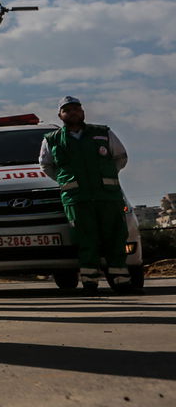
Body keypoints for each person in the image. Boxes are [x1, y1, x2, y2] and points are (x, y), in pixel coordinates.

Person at [40, 97, 135, 295]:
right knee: (86, 240)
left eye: (76, 108)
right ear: (60, 115)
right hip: (77, 199)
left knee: (115, 238)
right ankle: (90, 283)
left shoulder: (103, 133)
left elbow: (120, 157)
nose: (72, 112)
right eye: (67, 110)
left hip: (107, 197)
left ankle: (121, 281)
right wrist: (65, 181)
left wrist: (106, 176)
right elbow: (46, 165)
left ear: (82, 112)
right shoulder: (52, 140)